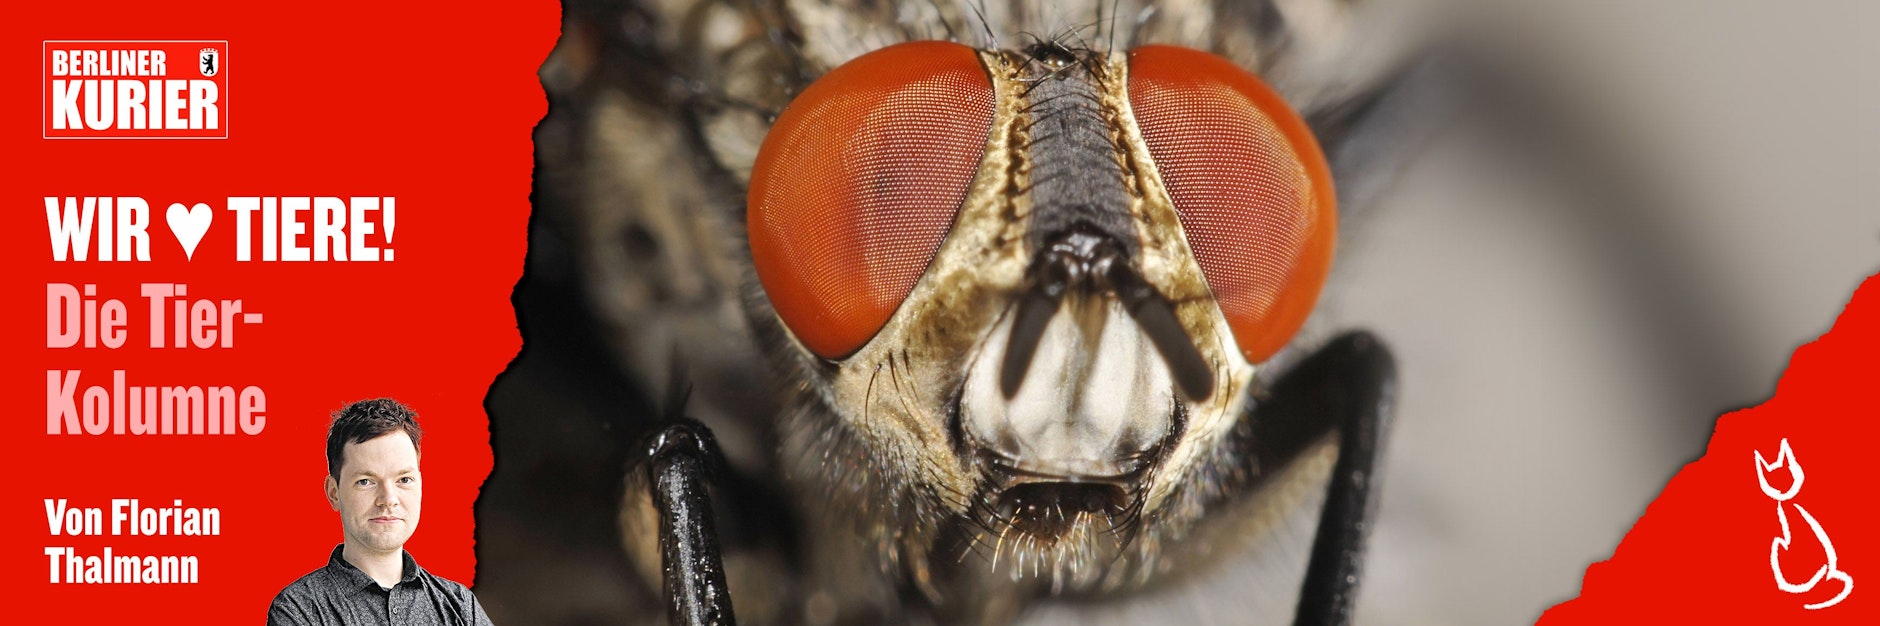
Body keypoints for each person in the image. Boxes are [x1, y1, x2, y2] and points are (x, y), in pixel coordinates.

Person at [268, 398, 493, 625]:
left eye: (404, 479)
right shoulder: (299, 610)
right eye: (366, 481)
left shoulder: (460, 605)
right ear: (334, 493)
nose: (388, 500)